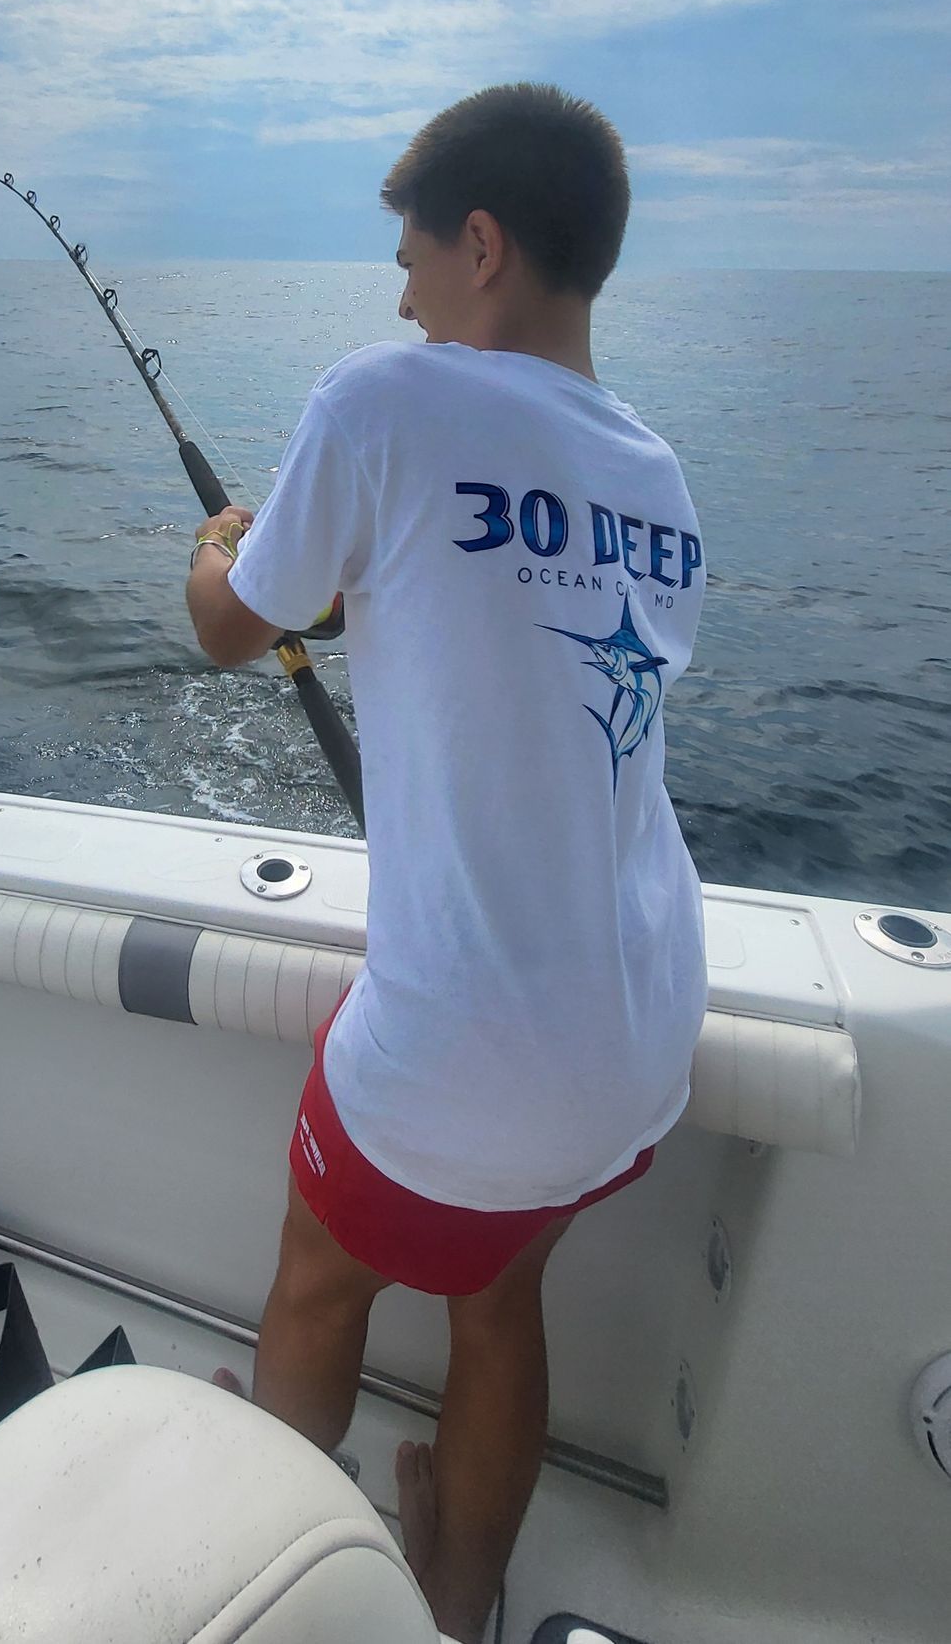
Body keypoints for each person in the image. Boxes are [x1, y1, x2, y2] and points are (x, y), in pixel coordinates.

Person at [185, 83, 707, 1644]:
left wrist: (219, 547)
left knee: (318, 1283)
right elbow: (501, 635)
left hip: (462, 1060)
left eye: (409, 254)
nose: (398, 293)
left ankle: (269, 1578)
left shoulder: (385, 401)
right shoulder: (661, 482)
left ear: (481, 244)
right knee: (500, 1295)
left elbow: (232, 631)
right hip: (631, 1037)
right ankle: (462, 1598)